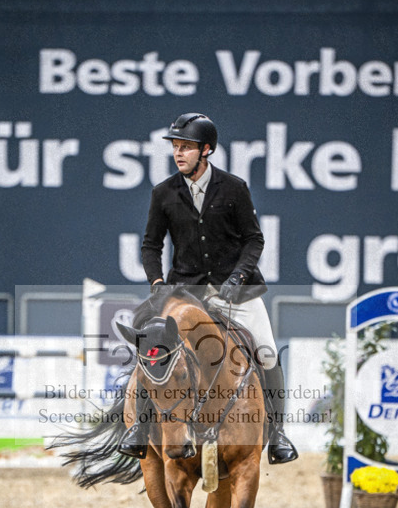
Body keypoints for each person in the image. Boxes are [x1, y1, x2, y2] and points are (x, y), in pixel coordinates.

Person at [118, 112, 299, 466]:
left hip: (238, 293)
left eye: (186, 147)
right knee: (153, 352)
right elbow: (150, 246)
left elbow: (254, 240)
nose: (178, 153)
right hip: (185, 294)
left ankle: (277, 434)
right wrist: (157, 283)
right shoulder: (164, 193)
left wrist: (235, 280)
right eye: (176, 147)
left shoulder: (234, 188)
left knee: (267, 354)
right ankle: (139, 428)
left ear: (207, 150)